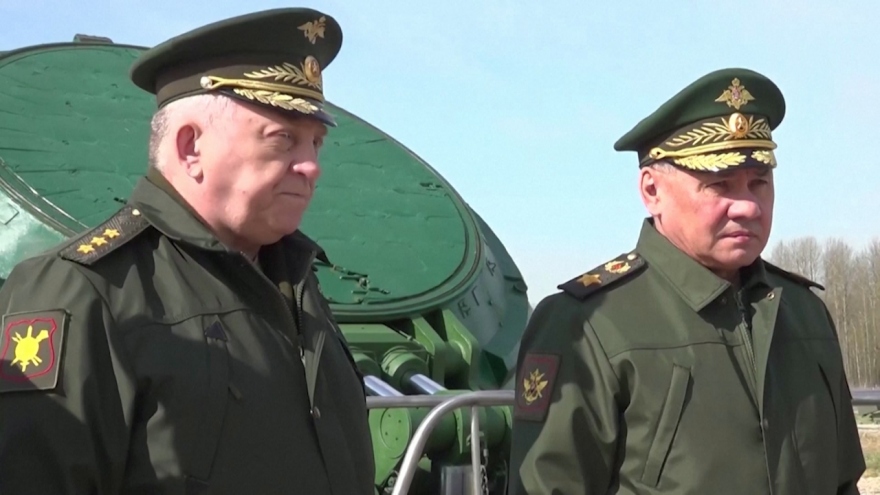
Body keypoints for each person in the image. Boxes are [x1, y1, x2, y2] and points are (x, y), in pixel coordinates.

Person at [0, 8, 376, 495]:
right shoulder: (86, 291)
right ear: (190, 146)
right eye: (283, 138)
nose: (311, 166)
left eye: (316, 143)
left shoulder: (297, 284)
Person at [506, 68, 865, 494]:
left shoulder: (805, 314)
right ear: (651, 191)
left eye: (759, 183)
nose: (748, 207)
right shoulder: (585, 326)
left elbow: (843, 481)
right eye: (720, 184)